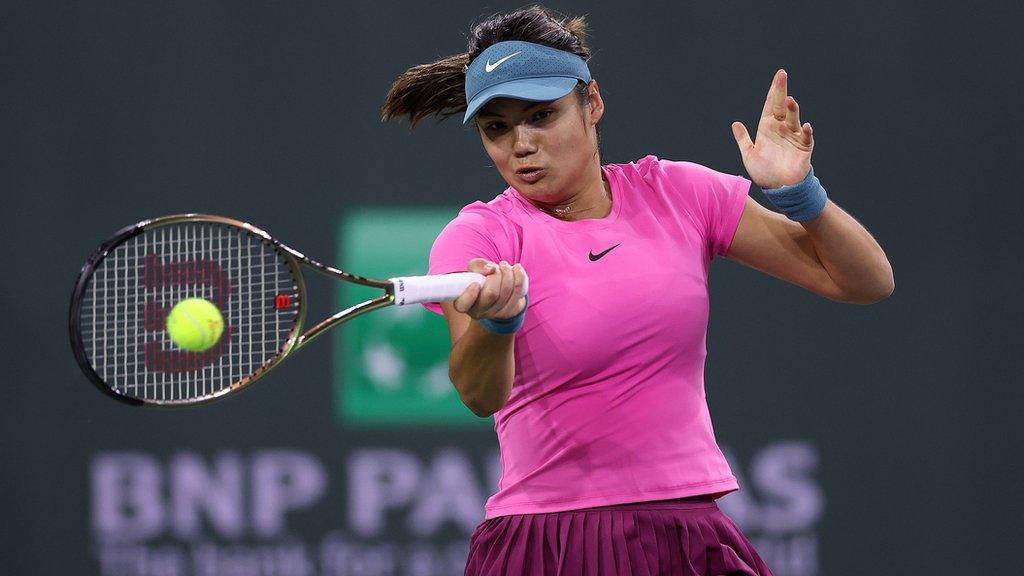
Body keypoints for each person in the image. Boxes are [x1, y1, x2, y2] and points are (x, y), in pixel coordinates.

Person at [382, 5, 893, 575]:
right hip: (551, 543)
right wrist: (499, 323)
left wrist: (800, 195)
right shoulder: (479, 236)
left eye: (541, 116)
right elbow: (478, 395)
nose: (520, 144)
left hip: (688, 533)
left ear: (591, 104)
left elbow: (864, 281)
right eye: (496, 128)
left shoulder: (680, 193)